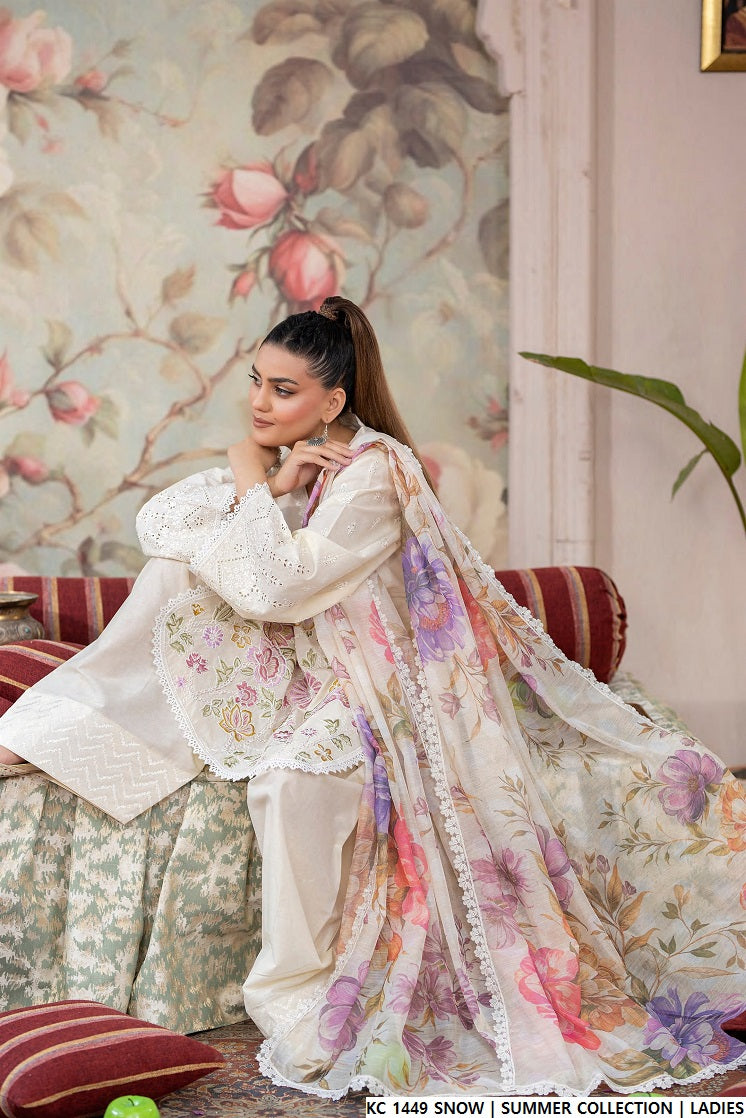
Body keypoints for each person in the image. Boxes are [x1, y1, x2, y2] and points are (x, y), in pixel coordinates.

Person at [1, 296, 746, 1098]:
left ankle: (295, 989)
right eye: (256, 381)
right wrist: (272, 482)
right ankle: (63, 731)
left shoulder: (376, 474)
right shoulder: (311, 461)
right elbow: (170, 529)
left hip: (389, 685)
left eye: (283, 390)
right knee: (176, 571)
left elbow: (277, 586)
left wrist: (252, 475)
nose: (259, 403)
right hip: (319, 669)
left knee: (291, 777)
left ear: (334, 399)